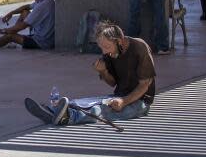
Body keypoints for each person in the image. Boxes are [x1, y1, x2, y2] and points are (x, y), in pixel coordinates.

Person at [24, 21, 155, 127]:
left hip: (140, 101)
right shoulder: (110, 52)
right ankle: (52, 111)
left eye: (107, 47)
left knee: (102, 110)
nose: (104, 52)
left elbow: (144, 85)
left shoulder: (139, 47)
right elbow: (113, 82)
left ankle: (68, 117)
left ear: (119, 41)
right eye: (101, 48)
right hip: (119, 95)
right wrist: (103, 71)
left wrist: (124, 101)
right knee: (88, 102)